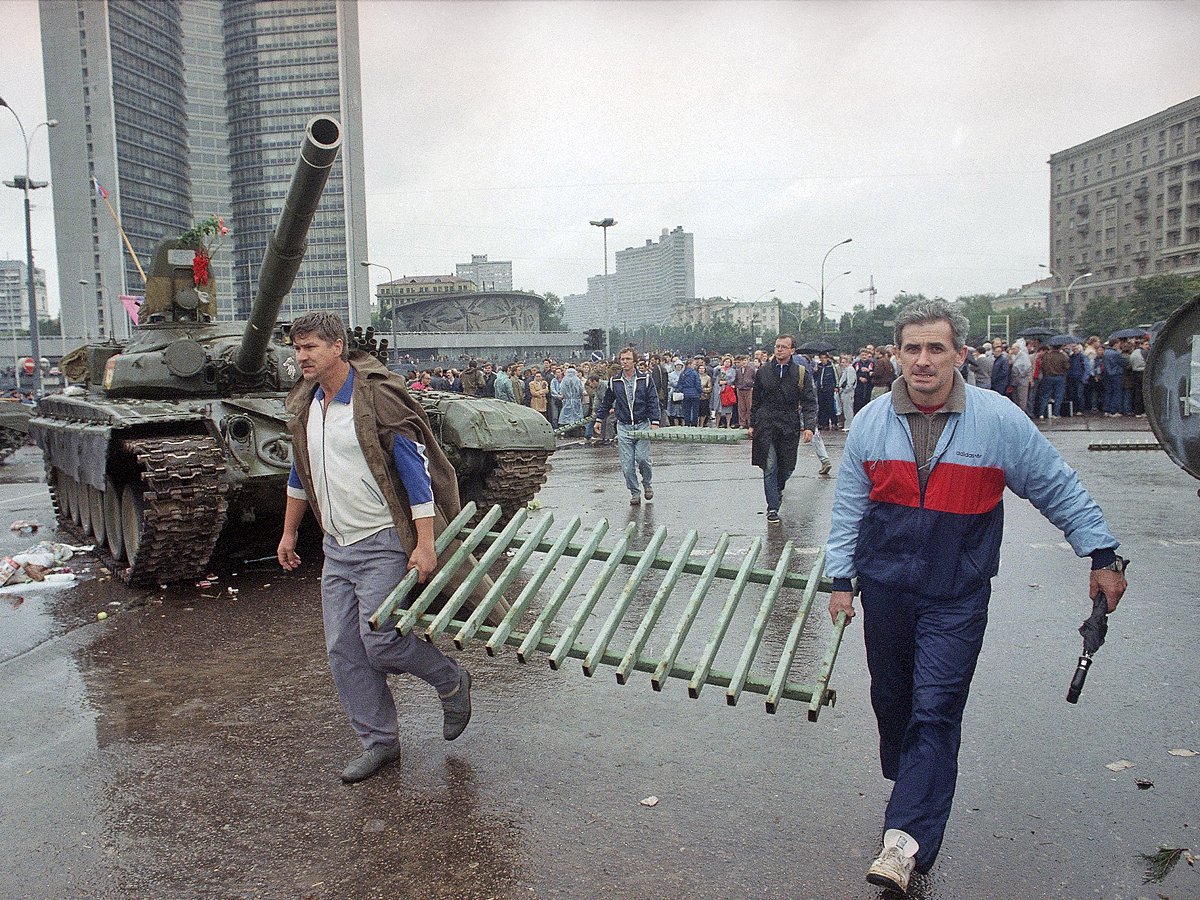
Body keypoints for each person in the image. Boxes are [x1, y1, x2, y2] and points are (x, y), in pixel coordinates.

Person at [824, 299, 1127, 894]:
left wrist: (1101, 553)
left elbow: (1055, 486)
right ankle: (913, 778)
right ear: (896, 356)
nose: (923, 360)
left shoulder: (999, 420)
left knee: (935, 707)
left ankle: (905, 841)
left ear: (959, 354)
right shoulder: (869, 422)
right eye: (912, 348)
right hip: (886, 590)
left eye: (936, 348)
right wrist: (841, 580)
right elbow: (848, 510)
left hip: (956, 593)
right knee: (894, 702)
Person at [277, 312, 473, 784]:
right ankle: (379, 743)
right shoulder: (305, 404)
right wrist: (288, 532)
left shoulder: (377, 399)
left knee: (380, 641)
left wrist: (424, 544)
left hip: (383, 538)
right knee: (343, 648)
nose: (302, 356)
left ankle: (450, 680)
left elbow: (416, 475)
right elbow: (301, 471)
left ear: (338, 346)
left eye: (311, 347)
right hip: (337, 545)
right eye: (298, 348)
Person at [748, 335, 816, 524]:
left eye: (784, 347)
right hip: (766, 423)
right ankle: (772, 507)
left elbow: (809, 402)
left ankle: (777, 490)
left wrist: (809, 426)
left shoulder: (801, 373)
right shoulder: (763, 371)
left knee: (787, 467)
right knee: (769, 466)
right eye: (777, 346)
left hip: (788, 424)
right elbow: (756, 399)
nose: (779, 350)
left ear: (792, 350)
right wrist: (752, 424)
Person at [593, 347, 661, 504]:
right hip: (624, 426)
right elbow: (607, 402)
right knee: (627, 465)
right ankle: (634, 492)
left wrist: (655, 422)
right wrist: (599, 419)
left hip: (642, 424)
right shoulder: (614, 381)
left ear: (635, 361)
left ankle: (647, 483)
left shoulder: (645, 379)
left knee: (643, 459)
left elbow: (653, 401)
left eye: (628, 359)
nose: (625, 362)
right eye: (622, 359)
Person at [837, 354, 857, 431]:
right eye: (841, 362)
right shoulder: (846, 370)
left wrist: (845, 390)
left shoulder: (850, 369)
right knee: (845, 409)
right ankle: (847, 424)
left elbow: (850, 382)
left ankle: (849, 425)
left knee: (848, 409)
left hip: (848, 393)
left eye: (844, 362)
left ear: (848, 362)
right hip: (844, 392)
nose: (842, 364)